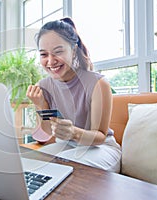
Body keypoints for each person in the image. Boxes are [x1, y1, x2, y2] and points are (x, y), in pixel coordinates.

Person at [26, 17, 122, 172]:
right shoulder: (43, 86)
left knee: (65, 170)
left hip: (101, 148)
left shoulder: (98, 83)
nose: (51, 61)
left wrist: (74, 133)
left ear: (74, 51)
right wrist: (40, 104)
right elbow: (45, 135)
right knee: (29, 164)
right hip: (66, 146)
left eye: (58, 52)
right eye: (44, 54)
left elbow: (100, 136)